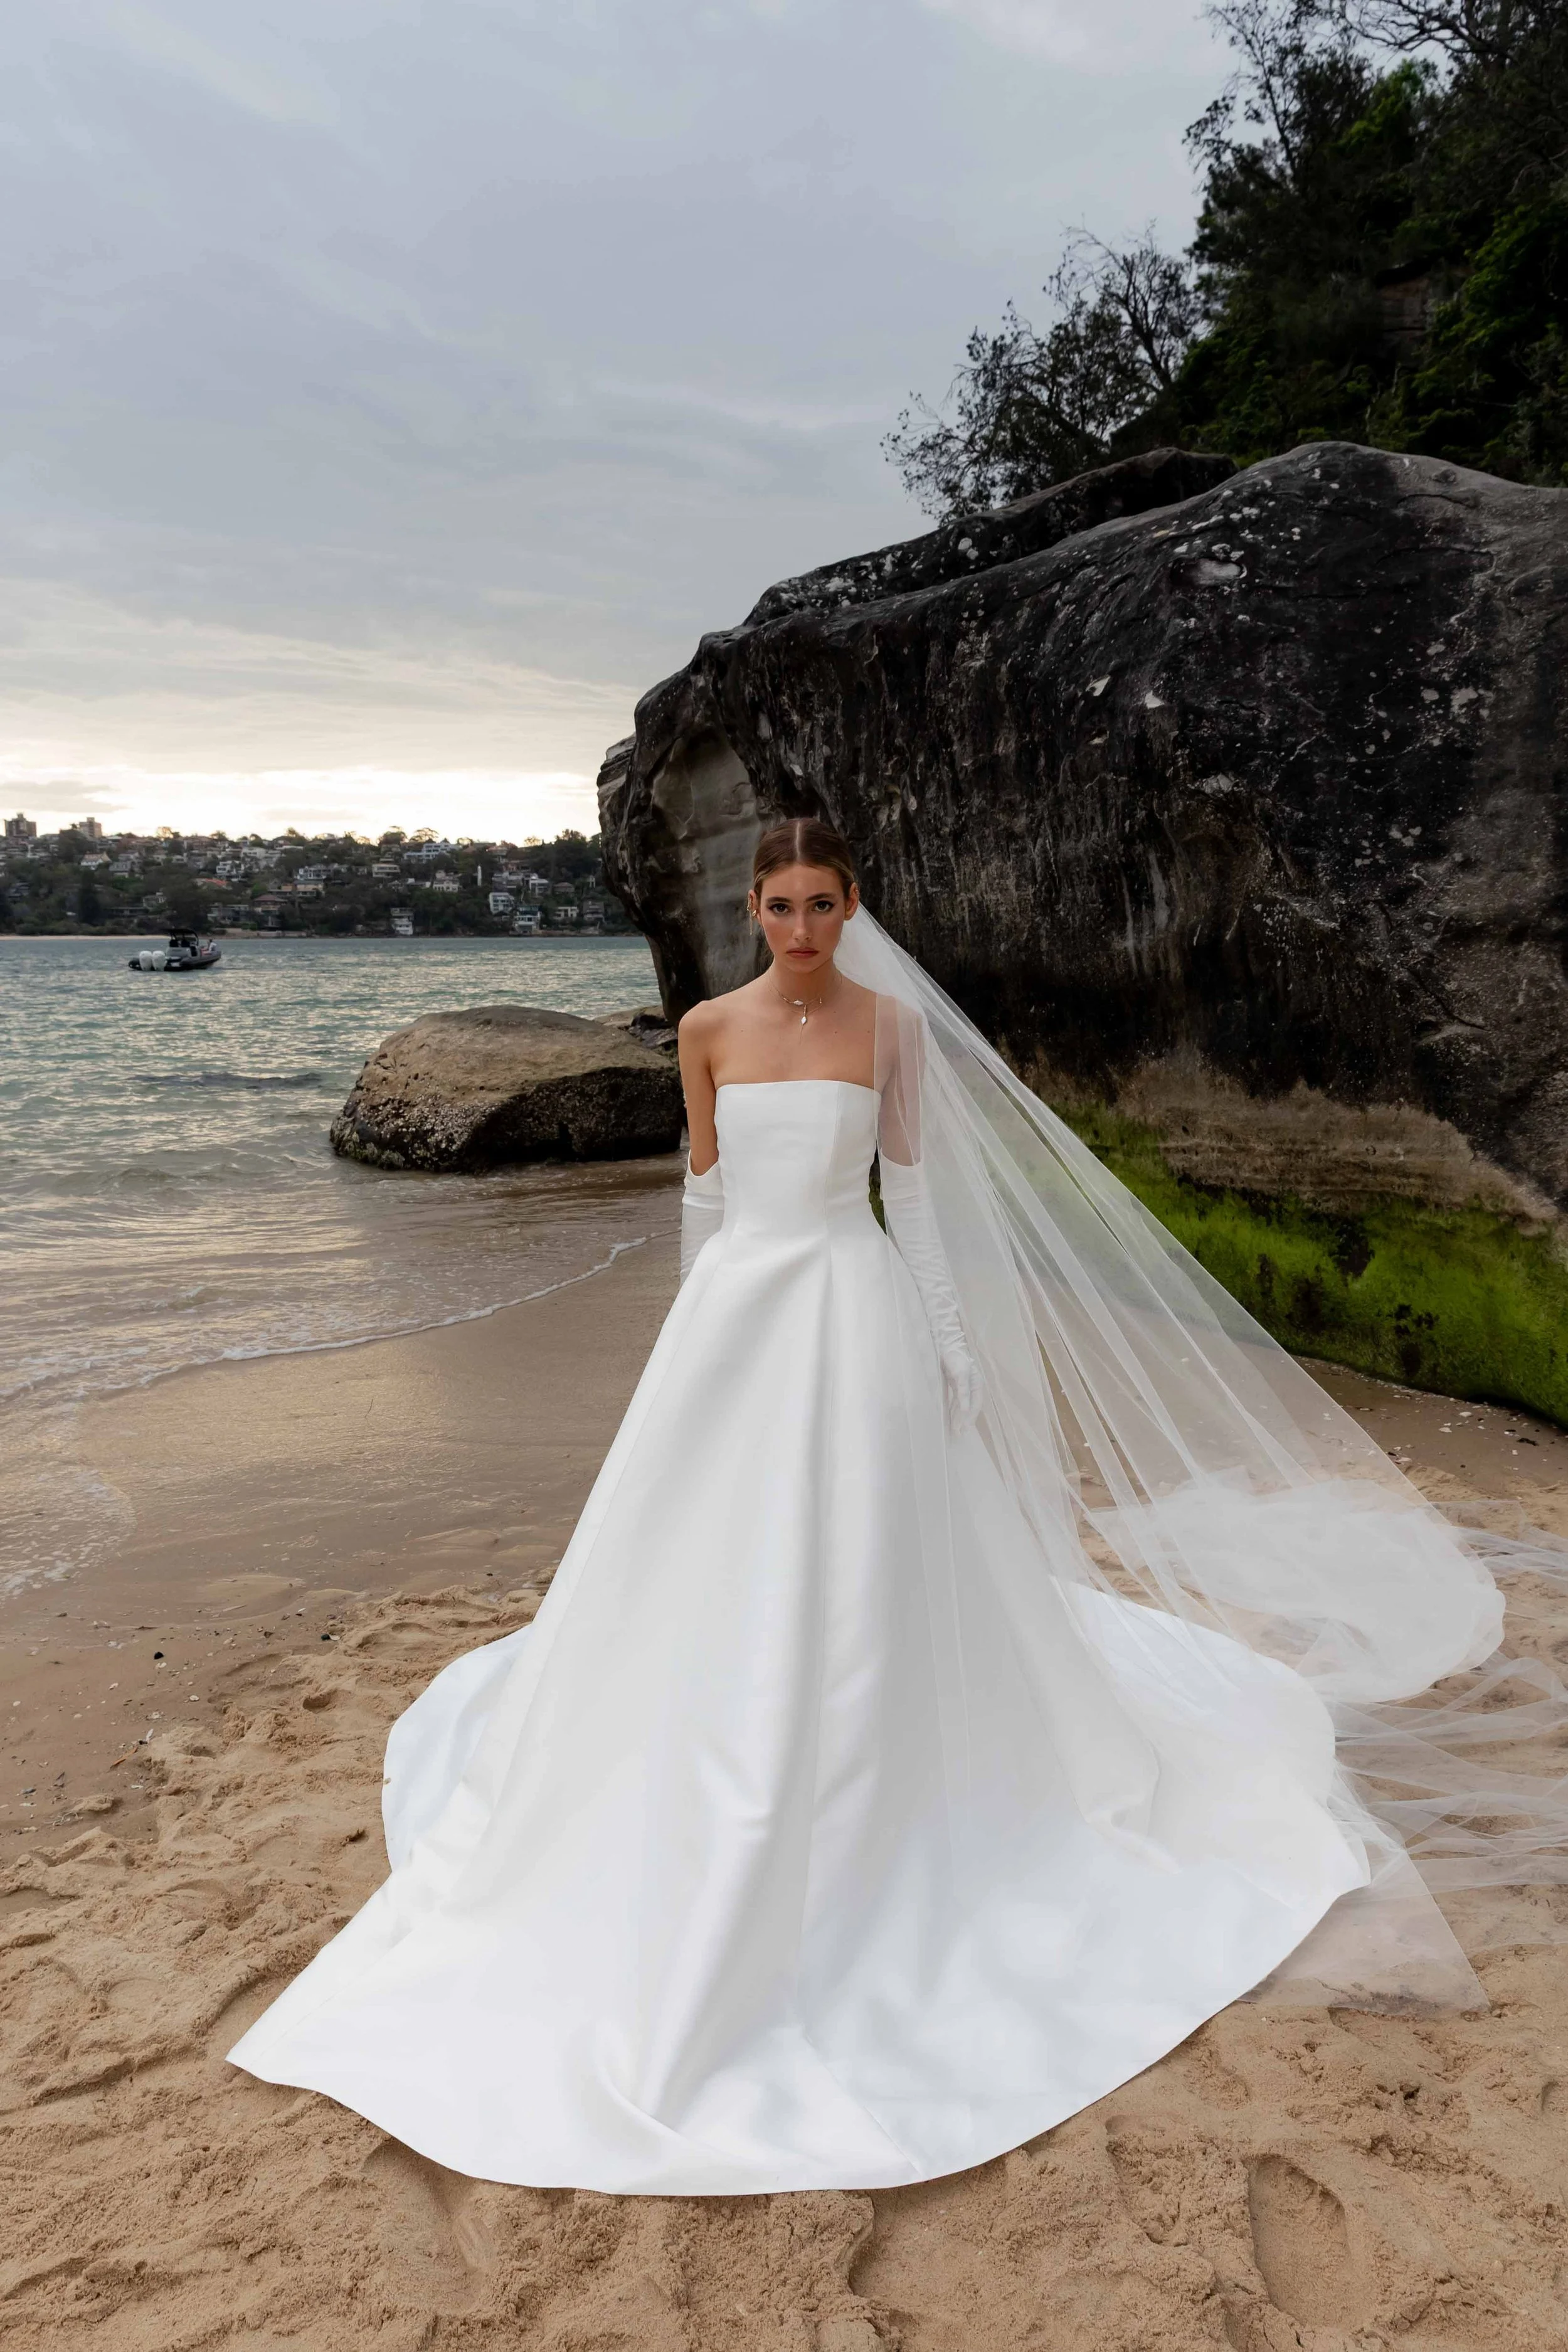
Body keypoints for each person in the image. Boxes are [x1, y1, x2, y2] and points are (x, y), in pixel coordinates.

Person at [229, 816, 1568, 2194]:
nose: (799, 928)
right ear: (752, 909)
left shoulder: (888, 1031)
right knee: (708, 1554)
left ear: (848, 907)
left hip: (851, 1305)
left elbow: (912, 1202)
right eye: (779, 906)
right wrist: (694, 1338)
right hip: (741, 1319)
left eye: (821, 905)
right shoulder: (704, 1030)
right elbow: (704, 1195)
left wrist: (944, 1347)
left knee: (866, 1552)